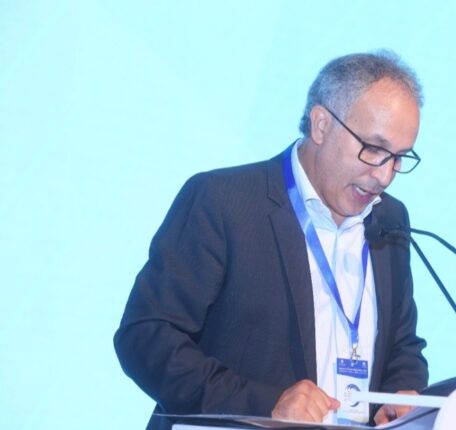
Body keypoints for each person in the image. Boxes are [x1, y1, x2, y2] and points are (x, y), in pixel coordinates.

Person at [114, 51, 429, 429]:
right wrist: (266, 405)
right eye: (374, 149)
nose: (384, 175)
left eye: (399, 157)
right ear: (321, 125)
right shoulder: (223, 202)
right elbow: (146, 337)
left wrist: (401, 397)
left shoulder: (390, 219)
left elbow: (401, 346)